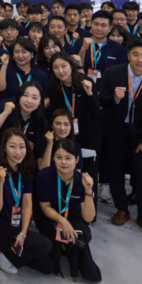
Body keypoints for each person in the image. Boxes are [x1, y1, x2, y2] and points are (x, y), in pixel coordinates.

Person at [99, 39, 142, 236]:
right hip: (115, 131)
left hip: (141, 134)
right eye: (135, 55)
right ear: (128, 55)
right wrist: (114, 98)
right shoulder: (113, 72)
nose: (139, 59)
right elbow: (101, 99)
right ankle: (122, 209)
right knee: (115, 169)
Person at [0, 129, 53, 275]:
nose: (18, 152)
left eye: (22, 147)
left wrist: (23, 233)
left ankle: (8, 251)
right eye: (12, 146)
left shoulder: (24, 167)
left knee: (48, 266)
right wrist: (0, 182)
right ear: (4, 148)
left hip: (16, 225)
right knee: (46, 245)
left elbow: (27, 203)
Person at [33, 139, 100, 281]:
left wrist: (88, 191)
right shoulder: (43, 176)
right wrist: (62, 220)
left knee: (83, 236)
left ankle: (68, 249)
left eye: (68, 158)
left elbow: (88, 218)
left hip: (73, 216)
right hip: (49, 217)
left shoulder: (83, 180)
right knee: (50, 247)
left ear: (76, 159)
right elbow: (45, 207)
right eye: (58, 157)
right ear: (53, 159)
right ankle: (63, 248)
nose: (63, 162)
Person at [47, 54, 101, 202]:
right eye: (56, 67)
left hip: (89, 135)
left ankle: (90, 213)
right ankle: (68, 207)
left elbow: (97, 113)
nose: (60, 71)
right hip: (66, 134)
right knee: (67, 171)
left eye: (64, 66)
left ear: (71, 66)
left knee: (88, 173)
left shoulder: (86, 82)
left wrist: (90, 94)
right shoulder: (54, 86)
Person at [0, 81, 46, 150]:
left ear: (40, 102)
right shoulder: (3, 106)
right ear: (19, 96)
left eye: (34, 98)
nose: (29, 101)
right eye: (25, 95)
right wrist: (5, 113)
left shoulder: (39, 119)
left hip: (21, 158)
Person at [0, 37, 48, 104]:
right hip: (9, 111)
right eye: (16, 52)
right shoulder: (6, 69)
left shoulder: (41, 75)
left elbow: (47, 99)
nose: (20, 55)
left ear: (32, 54)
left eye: (24, 52)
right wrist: (4, 65)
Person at [78, 11, 127, 81]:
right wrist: (83, 49)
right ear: (91, 24)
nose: (98, 28)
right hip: (83, 85)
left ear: (110, 28)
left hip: (108, 89)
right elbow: (75, 67)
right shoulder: (80, 43)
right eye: (95, 24)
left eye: (103, 25)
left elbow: (122, 73)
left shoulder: (118, 48)